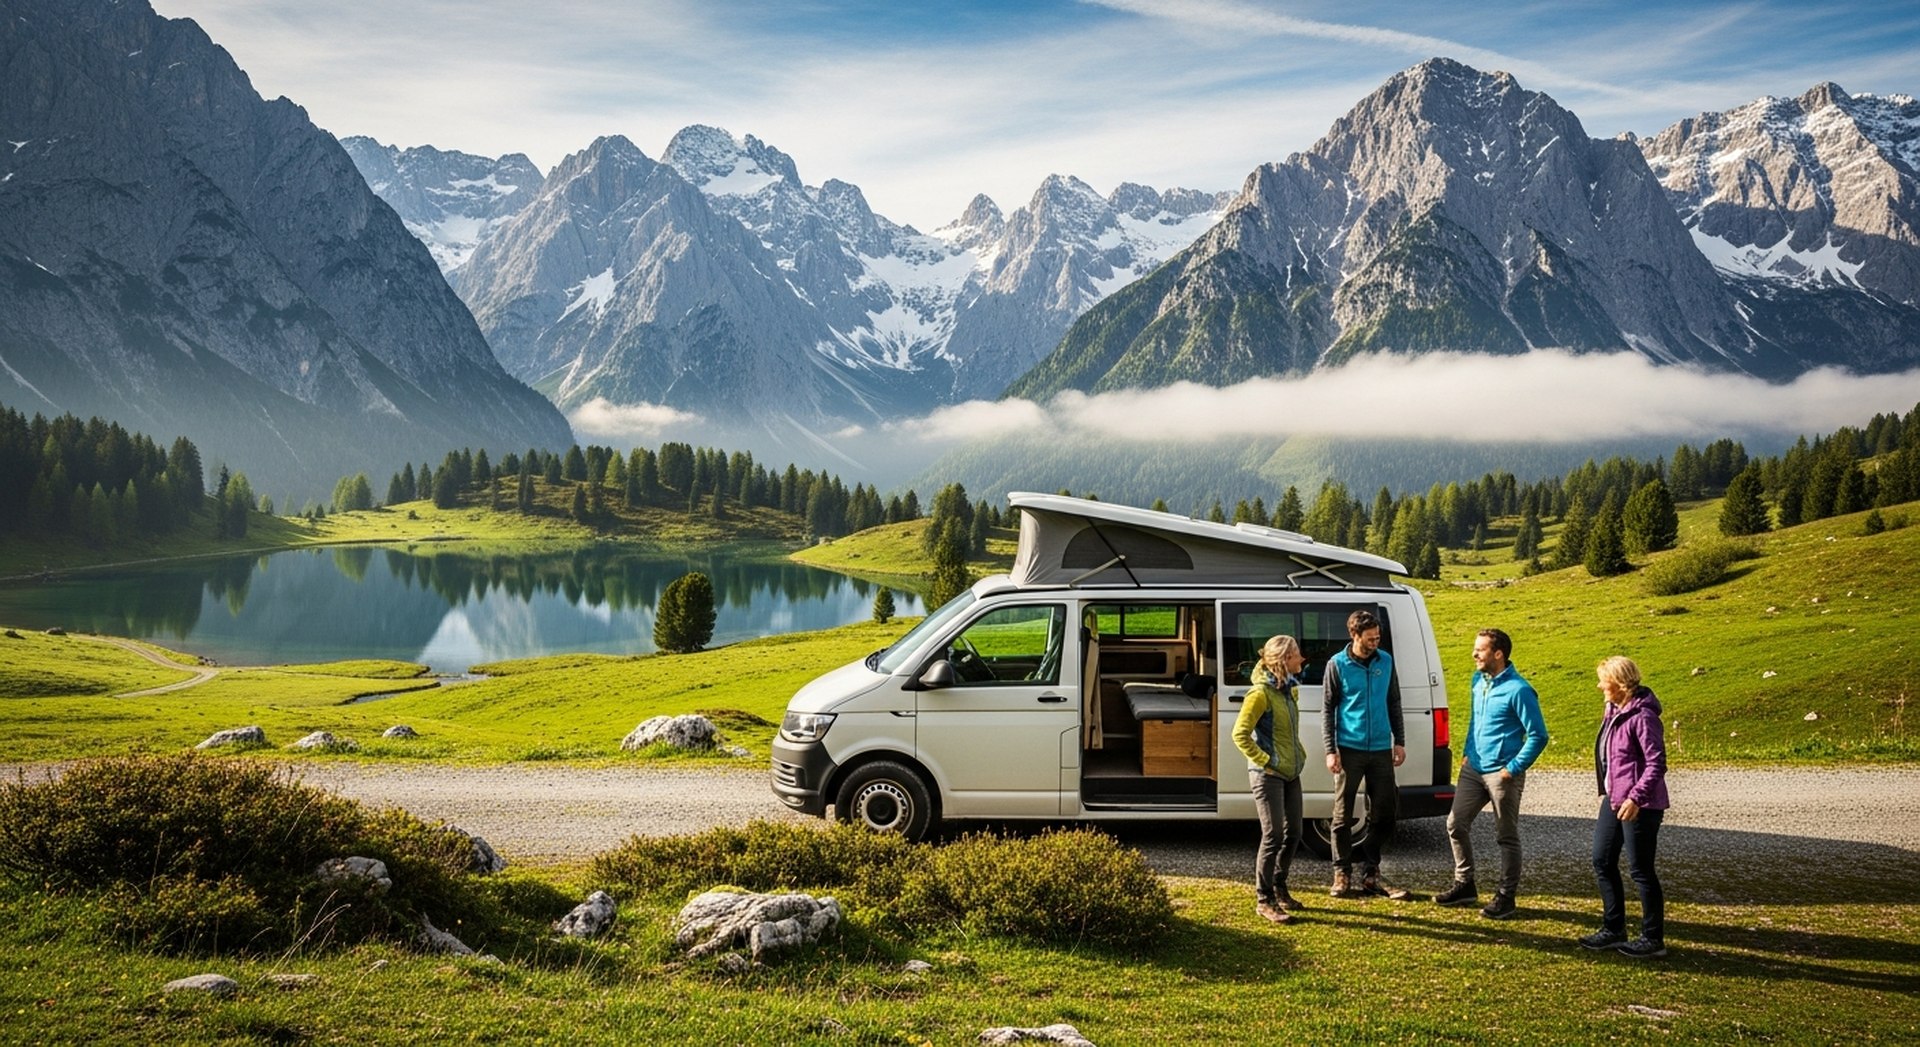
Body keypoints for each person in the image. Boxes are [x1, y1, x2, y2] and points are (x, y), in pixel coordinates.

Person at [1436, 628, 1549, 919]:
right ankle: (1465, 885)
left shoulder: (1520, 690)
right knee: (1456, 824)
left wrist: (1512, 768)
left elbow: (1538, 735)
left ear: (1498, 654)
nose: (1474, 654)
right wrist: (1466, 751)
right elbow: (1476, 720)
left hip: (1503, 774)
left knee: (1506, 836)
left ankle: (1506, 897)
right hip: (1473, 768)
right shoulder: (1478, 681)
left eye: (1480, 650)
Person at [1583, 655, 1670, 958]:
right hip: (1614, 798)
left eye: (1603, 680)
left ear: (1619, 683)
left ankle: (1652, 938)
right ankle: (1613, 928)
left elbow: (1656, 763)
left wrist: (1637, 797)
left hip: (1640, 804)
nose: (1599, 686)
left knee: (1641, 870)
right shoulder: (1613, 709)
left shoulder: (1643, 717)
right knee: (1602, 859)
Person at [1322, 609, 1409, 899]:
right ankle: (1341, 873)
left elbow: (1394, 701)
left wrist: (1400, 740)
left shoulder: (1386, 661)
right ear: (1354, 635)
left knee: (1384, 813)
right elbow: (1327, 709)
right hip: (1349, 748)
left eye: (1378, 637)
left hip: (1381, 748)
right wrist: (1330, 749)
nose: (1376, 642)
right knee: (1342, 815)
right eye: (1370, 638)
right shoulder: (1337, 665)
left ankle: (1371, 873)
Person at [1233, 634, 1308, 923]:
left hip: (1291, 772)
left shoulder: (1290, 690)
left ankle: (1279, 888)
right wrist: (1267, 761)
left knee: (1294, 833)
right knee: (1273, 835)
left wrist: (1296, 757)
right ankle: (1263, 900)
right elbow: (1239, 734)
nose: (1302, 658)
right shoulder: (1259, 694)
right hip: (1268, 775)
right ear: (1283, 660)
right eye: (1297, 654)